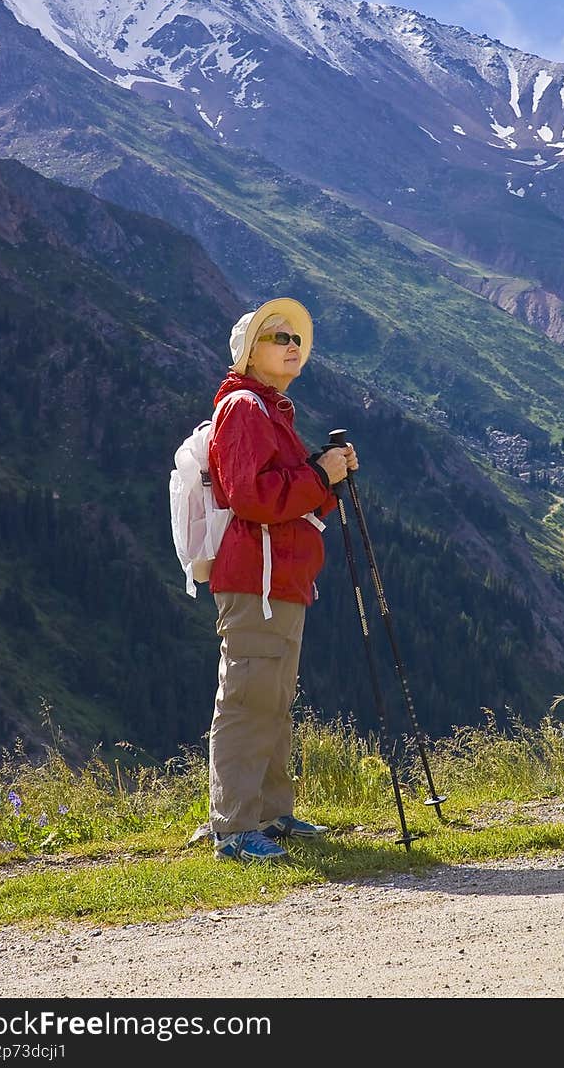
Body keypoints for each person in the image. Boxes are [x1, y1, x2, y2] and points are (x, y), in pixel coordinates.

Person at [205, 297, 357, 863]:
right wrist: (320, 473)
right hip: (257, 580)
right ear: (250, 352)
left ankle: (269, 814)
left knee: (271, 697)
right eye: (278, 337)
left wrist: (325, 476)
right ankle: (236, 828)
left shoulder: (271, 412)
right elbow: (253, 497)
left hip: (279, 579)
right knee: (249, 698)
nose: (292, 345)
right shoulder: (245, 407)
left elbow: (291, 495)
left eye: (296, 338)